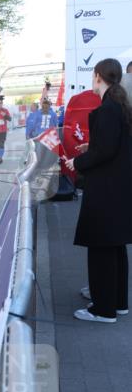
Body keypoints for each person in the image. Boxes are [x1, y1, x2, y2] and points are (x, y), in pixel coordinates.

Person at [65, 58, 132, 323]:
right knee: (115, 246)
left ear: (98, 77)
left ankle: (103, 309)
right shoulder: (120, 107)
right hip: (118, 188)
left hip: (106, 189)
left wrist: (78, 161)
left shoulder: (107, 110)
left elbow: (104, 152)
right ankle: (118, 302)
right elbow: (112, 146)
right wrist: (90, 148)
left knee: (101, 246)